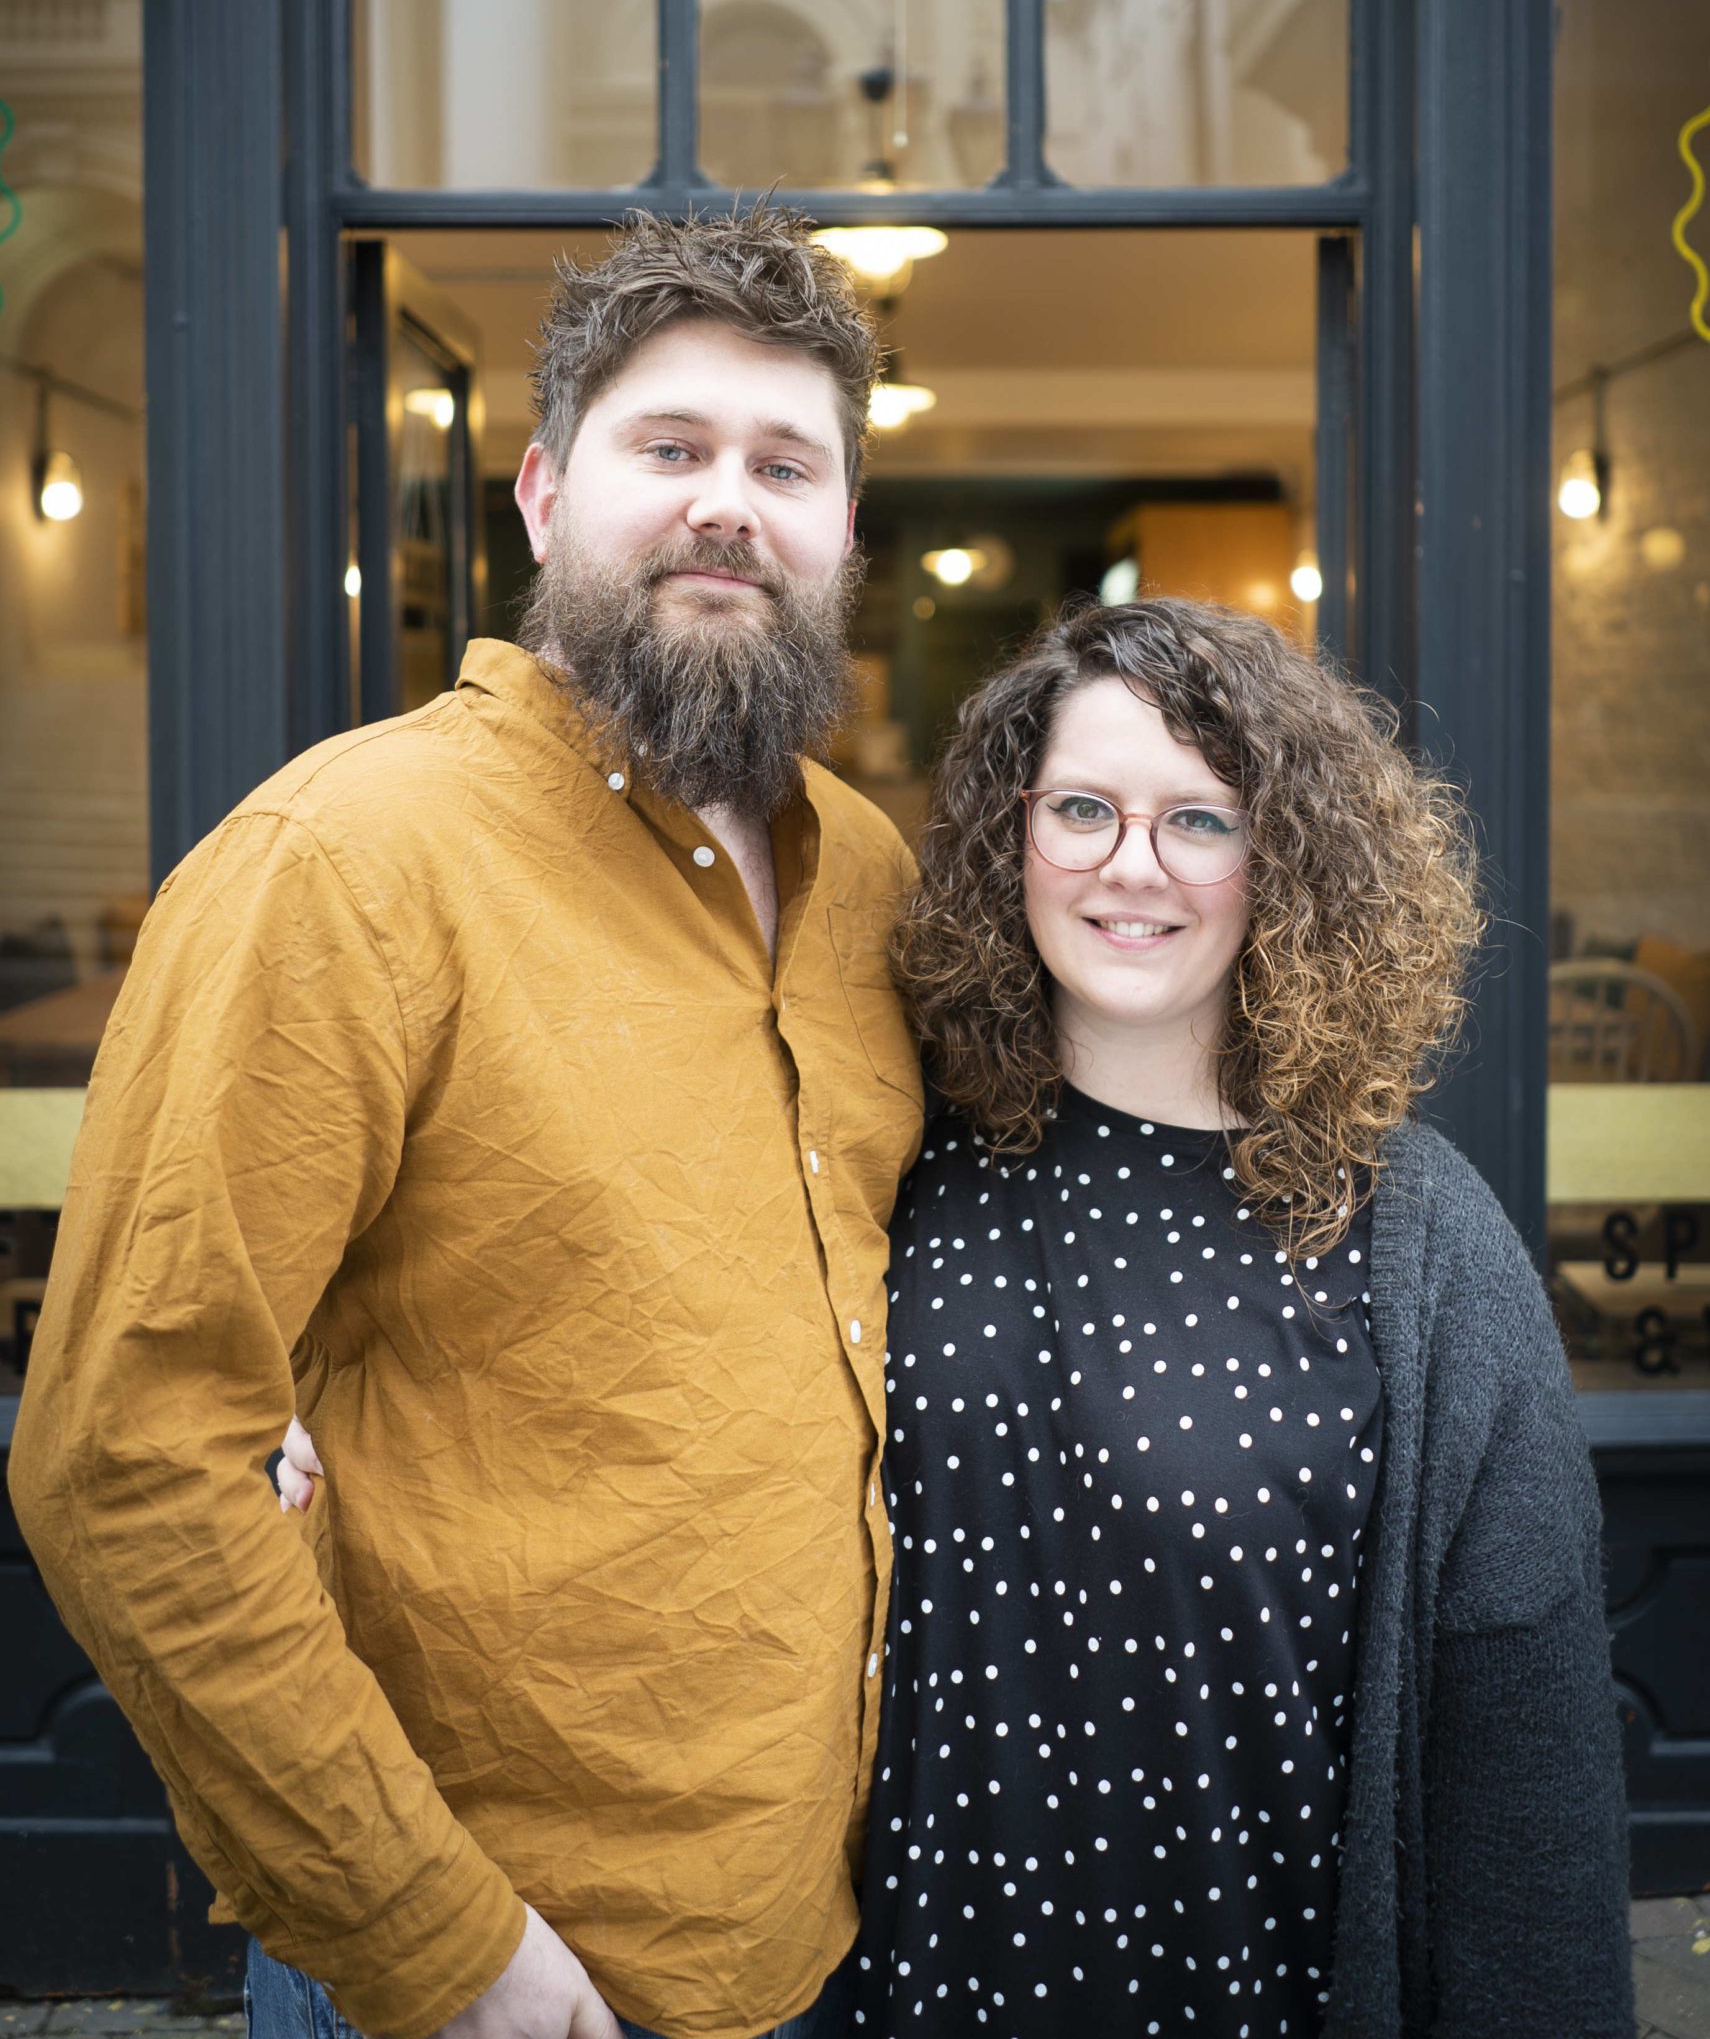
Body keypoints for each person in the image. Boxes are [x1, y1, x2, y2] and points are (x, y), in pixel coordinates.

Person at [278, 595, 1634, 2036]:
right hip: (880, 1992)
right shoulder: (883, 1151)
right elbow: (594, 1287)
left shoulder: (1410, 1244)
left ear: (1286, 860)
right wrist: (303, 1387)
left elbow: (1524, 1777)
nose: (1132, 866)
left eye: (1199, 821)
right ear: (1009, 837)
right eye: (1082, 808)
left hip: (1237, 1988)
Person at [9, 208, 926, 2039]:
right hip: (501, 1960)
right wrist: (443, 1946)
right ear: (540, 496)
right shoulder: (345, 865)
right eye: (666, 450)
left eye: (783, 463)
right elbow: (128, 1452)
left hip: (816, 1920)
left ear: (840, 532)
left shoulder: (872, 881)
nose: (724, 505)